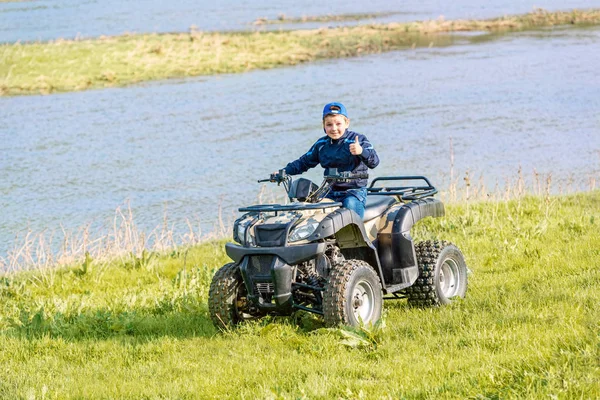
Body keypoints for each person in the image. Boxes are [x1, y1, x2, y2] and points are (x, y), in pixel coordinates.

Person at [279, 102, 379, 218]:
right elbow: (304, 162)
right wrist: (284, 171)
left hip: (354, 192)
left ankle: (356, 234)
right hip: (329, 192)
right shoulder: (321, 144)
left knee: (349, 204)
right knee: (307, 209)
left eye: (338, 124)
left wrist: (361, 151)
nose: (334, 128)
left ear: (347, 123)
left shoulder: (358, 140)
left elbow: (374, 162)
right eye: (329, 124)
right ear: (324, 125)